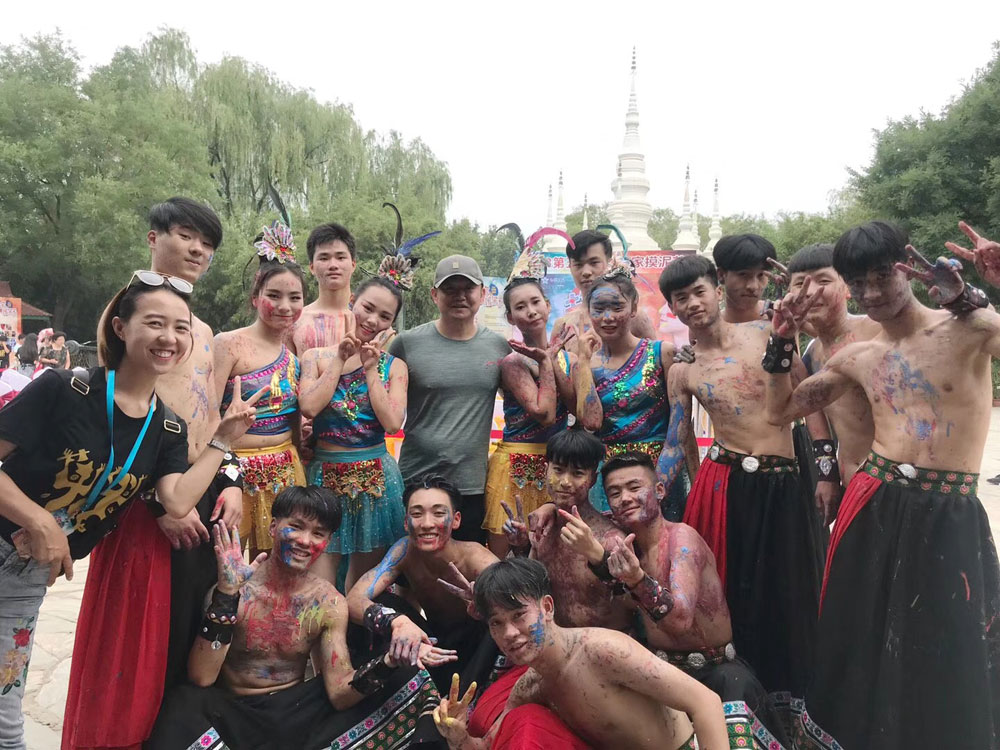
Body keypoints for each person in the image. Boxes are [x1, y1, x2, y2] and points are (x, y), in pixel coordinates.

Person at [762, 220, 1000, 749]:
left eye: (881, 277)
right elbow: (781, 411)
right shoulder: (856, 357)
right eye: (858, 282)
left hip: (949, 510)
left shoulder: (970, 328)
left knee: (950, 641)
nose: (871, 293)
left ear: (907, 269)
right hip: (873, 501)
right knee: (860, 635)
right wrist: (780, 341)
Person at [0, 273, 262, 749]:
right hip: (11, 540)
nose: (169, 338)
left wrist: (223, 440)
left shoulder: (167, 427)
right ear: (120, 327)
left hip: (26, 576)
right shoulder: (64, 389)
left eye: (181, 328)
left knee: (5, 716)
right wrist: (39, 521)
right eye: (155, 323)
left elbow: (176, 500)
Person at [61, 197, 246, 750]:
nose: (198, 250)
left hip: (197, 490)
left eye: (207, 244)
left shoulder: (203, 330)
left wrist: (230, 478)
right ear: (153, 238)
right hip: (144, 500)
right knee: (135, 642)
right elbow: (113, 420)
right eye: (186, 235)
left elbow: (212, 418)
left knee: (192, 631)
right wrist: (155, 505)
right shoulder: (127, 315)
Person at [148, 486, 453, 750]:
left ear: (327, 541)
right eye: (296, 527)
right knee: (182, 704)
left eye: (318, 533)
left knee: (408, 677)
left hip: (294, 714)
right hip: (233, 712)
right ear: (273, 526)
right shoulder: (236, 586)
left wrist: (389, 662)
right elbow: (202, 677)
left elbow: (339, 694)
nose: (306, 541)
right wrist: (227, 594)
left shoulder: (328, 602)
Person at [657, 254, 823, 730]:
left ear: (717, 289)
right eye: (681, 298)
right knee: (731, 594)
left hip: (785, 478)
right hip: (723, 484)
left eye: (699, 291)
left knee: (791, 589)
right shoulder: (683, 369)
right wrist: (665, 491)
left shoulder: (767, 332)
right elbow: (680, 438)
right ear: (672, 307)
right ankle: (740, 702)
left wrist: (826, 467)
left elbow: (809, 395)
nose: (692, 303)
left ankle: (797, 704)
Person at [575, 453, 790, 747]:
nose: (625, 498)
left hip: (719, 678)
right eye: (614, 493)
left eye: (634, 487)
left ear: (660, 490)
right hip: (664, 676)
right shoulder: (625, 544)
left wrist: (636, 579)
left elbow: (679, 621)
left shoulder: (682, 540)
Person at [433, 557, 729, 750]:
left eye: (519, 616)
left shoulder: (603, 651)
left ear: (547, 607)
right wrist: (459, 736)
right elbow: (487, 746)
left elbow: (706, 702)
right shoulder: (531, 686)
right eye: (497, 623)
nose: (509, 633)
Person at [299, 257, 411, 590]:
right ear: (352, 302)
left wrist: (371, 369)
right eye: (368, 308)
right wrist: (339, 358)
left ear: (392, 323)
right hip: (325, 476)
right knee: (319, 584)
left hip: (376, 480)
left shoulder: (395, 367)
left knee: (364, 587)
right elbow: (309, 406)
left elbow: (392, 423)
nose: (373, 320)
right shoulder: (316, 357)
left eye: (385, 316)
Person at [387, 255, 510, 543]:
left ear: (482, 293)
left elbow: (522, 406)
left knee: (467, 564)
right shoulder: (406, 344)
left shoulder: (499, 347)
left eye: (468, 289)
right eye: (449, 289)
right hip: (416, 480)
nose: (460, 296)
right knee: (412, 563)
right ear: (434, 295)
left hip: (471, 485)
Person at [347, 474, 500, 691]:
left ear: (456, 520)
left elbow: (518, 601)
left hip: (476, 652)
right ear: (406, 522)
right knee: (382, 602)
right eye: (417, 514)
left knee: (495, 621)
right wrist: (397, 622)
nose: (427, 524)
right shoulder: (405, 550)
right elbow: (354, 599)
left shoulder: (476, 558)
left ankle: (467, 697)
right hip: (430, 643)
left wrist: (486, 608)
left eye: (438, 513)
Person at [214, 222, 307, 560]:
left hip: (285, 471)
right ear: (255, 297)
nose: (285, 306)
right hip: (233, 472)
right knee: (227, 564)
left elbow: (294, 421)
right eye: (274, 296)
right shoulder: (228, 344)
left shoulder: (293, 358)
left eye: (295, 298)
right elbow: (206, 415)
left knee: (278, 566)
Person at [574, 270, 698, 518]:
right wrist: (583, 363)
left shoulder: (662, 353)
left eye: (617, 307)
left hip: (662, 472)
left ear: (633, 308)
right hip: (610, 480)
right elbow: (590, 422)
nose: (608, 317)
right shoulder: (586, 365)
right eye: (599, 309)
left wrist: (657, 488)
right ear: (589, 312)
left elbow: (681, 430)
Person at [484, 267, 575, 557]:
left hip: (558, 465)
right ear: (511, 317)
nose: (531, 311)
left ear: (547, 305)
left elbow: (580, 411)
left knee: (554, 554)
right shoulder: (513, 362)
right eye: (520, 307)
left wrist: (560, 360)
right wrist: (547, 362)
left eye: (536, 302)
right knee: (504, 557)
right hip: (515, 468)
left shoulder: (569, 359)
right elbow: (544, 413)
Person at [786, 243, 881, 522]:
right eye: (800, 283)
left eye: (823, 280)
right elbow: (812, 411)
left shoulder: (879, 332)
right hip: (850, 484)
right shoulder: (812, 352)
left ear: (848, 287)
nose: (811, 291)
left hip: (892, 487)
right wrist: (826, 474)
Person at [504, 427, 630, 632]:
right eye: (558, 470)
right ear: (545, 470)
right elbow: (524, 590)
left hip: (602, 646)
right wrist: (520, 546)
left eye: (577, 473)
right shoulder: (541, 529)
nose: (565, 482)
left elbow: (632, 603)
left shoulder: (611, 539)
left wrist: (598, 558)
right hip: (552, 642)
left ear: (593, 479)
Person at [551, 228, 657, 339]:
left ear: (609, 262)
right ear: (570, 266)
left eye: (594, 263)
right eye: (578, 265)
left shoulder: (633, 317)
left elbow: (653, 349)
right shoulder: (563, 326)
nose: (586, 272)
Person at [288, 222, 358, 355]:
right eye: (324, 258)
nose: (333, 265)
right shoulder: (295, 321)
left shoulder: (367, 321)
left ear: (353, 264)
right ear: (312, 267)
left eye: (340, 257)